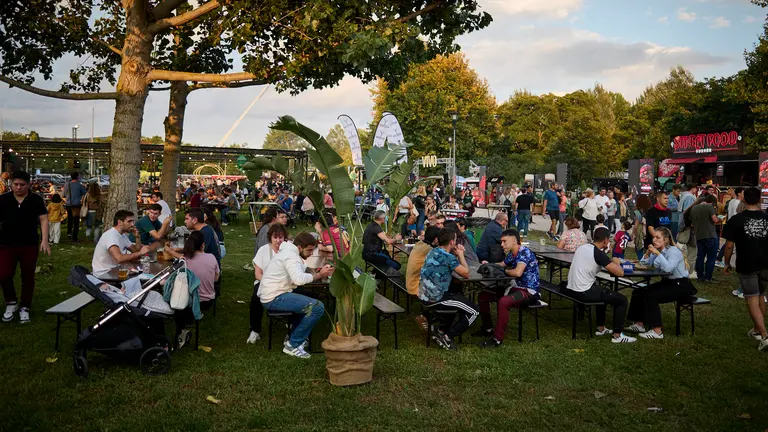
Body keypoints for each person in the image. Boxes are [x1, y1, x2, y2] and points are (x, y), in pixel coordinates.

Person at [258, 232, 334, 359]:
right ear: (299, 247)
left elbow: (296, 273)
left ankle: (293, 336)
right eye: (309, 250)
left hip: (275, 293)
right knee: (317, 306)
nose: (311, 253)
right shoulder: (290, 256)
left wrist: (316, 272)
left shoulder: (290, 252)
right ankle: (293, 344)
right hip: (273, 297)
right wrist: (320, 275)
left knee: (309, 303)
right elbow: (298, 279)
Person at [563, 227, 636, 343]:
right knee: (622, 300)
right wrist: (615, 259)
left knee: (603, 291)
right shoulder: (598, 254)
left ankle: (601, 328)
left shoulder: (583, 248)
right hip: (583, 292)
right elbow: (619, 272)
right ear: (606, 240)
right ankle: (618, 335)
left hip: (571, 288)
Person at [626, 227, 697, 340]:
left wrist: (658, 254)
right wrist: (648, 254)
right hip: (667, 282)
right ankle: (639, 324)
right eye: (654, 237)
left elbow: (669, 268)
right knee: (639, 291)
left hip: (680, 285)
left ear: (666, 239)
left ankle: (657, 331)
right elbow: (644, 263)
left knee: (651, 295)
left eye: (658, 237)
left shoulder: (673, 251)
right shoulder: (659, 250)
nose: (654, 240)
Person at [0, 171, 51, 323]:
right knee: (4, 274)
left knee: (28, 276)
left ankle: (25, 307)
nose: (18, 187)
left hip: (29, 244)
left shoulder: (36, 200)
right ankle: (11, 302)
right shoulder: (3, 199)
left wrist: (44, 240)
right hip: (6, 244)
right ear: (11, 185)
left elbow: (43, 219)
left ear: (28, 185)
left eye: (22, 185)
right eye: (15, 184)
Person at [477, 229, 541, 347]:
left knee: (504, 302)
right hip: (514, 287)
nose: (502, 244)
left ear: (514, 240)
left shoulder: (524, 252)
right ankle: (487, 329)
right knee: (483, 295)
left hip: (529, 291)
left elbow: (517, 273)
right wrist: (488, 265)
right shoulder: (512, 254)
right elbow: (502, 264)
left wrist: (504, 271)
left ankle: (497, 339)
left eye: (504, 241)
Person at [723, 187, 768, 351]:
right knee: (761, 295)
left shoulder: (736, 220)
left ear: (743, 200)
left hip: (747, 263)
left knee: (752, 298)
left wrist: (726, 263)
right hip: (765, 263)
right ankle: (757, 328)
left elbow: (729, 245)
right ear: (759, 200)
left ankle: (764, 334)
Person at [418, 229, 476, 351]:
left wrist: (454, 254)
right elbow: (466, 273)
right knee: (474, 311)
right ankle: (448, 337)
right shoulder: (448, 257)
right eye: (455, 240)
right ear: (451, 242)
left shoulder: (433, 251)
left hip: (424, 296)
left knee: (457, 299)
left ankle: (441, 331)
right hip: (436, 299)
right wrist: (460, 254)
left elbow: (445, 263)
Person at [174, 230, 219, 349]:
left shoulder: (185, 260)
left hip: (190, 302)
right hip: (208, 300)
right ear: (203, 244)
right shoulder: (211, 257)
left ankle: (181, 330)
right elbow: (216, 278)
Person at [247, 223, 289, 344]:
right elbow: (258, 274)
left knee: (299, 294)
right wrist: (270, 283)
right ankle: (255, 330)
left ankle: (292, 327)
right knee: (255, 298)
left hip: (285, 283)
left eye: (281, 237)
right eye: (275, 237)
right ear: (270, 237)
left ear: (285, 238)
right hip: (264, 282)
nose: (278, 240)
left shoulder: (289, 249)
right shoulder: (263, 250)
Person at [91, 210, 151, 278]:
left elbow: (135, 251)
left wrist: (137, 237)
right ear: (119, 222)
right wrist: (140, 253)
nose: (132, 224)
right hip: (104, 274)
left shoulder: (122, 235)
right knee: (139, 280)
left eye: (133, 221)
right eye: (129, 221)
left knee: (143, 276)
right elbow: (119, 258)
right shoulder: (111, 236)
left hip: (116, 270)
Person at [405, 226, 441, 332]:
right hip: (415, 285)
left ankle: (429, 315)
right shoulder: (430, 250)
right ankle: (428, 317)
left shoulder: (420, 244)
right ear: (436, 239)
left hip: (411, 280)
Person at [689, 194, 720, 283]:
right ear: (712, 202)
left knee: (700, 257)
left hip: (699, 236)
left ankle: (700, 276)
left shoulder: (694, 208)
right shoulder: (709, 207)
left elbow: (692, 223)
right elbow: (714, 220)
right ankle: (708, 277)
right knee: (711, 258)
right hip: (710, 235)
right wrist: (719, 219)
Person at [62, 172, 87, 243]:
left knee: (69, 220)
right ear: (77, 177)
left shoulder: (67, 185)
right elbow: (85, 193)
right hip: (76, 206)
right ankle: (74, 238)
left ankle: (69, 233)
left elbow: (63, 195)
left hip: (68, 205)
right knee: (76, 222)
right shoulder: (79, 185)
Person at [633, 194, 652, 260]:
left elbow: (636, 225)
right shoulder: (651, 211)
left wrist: (633, 234)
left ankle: (642, 261)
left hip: (640, 231)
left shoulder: (637, 212)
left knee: (638, 248)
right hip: (649, 231)